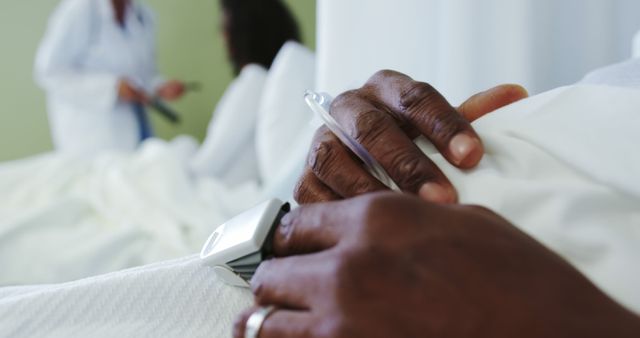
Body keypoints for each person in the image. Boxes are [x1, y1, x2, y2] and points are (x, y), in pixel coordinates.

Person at [35, 0, 186, 156]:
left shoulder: (143, 14)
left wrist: (159, 87)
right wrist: (111, 87)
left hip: (137, 127)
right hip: (93, 135)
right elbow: (49, 72)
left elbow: (143, 74)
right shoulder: (80, 9)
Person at [189, 0, 303, 186]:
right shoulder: (272, 81)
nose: (222, 36)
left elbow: (206, 165)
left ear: (240, 33)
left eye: (224, 28)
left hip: (224, 195)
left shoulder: (254, 80)